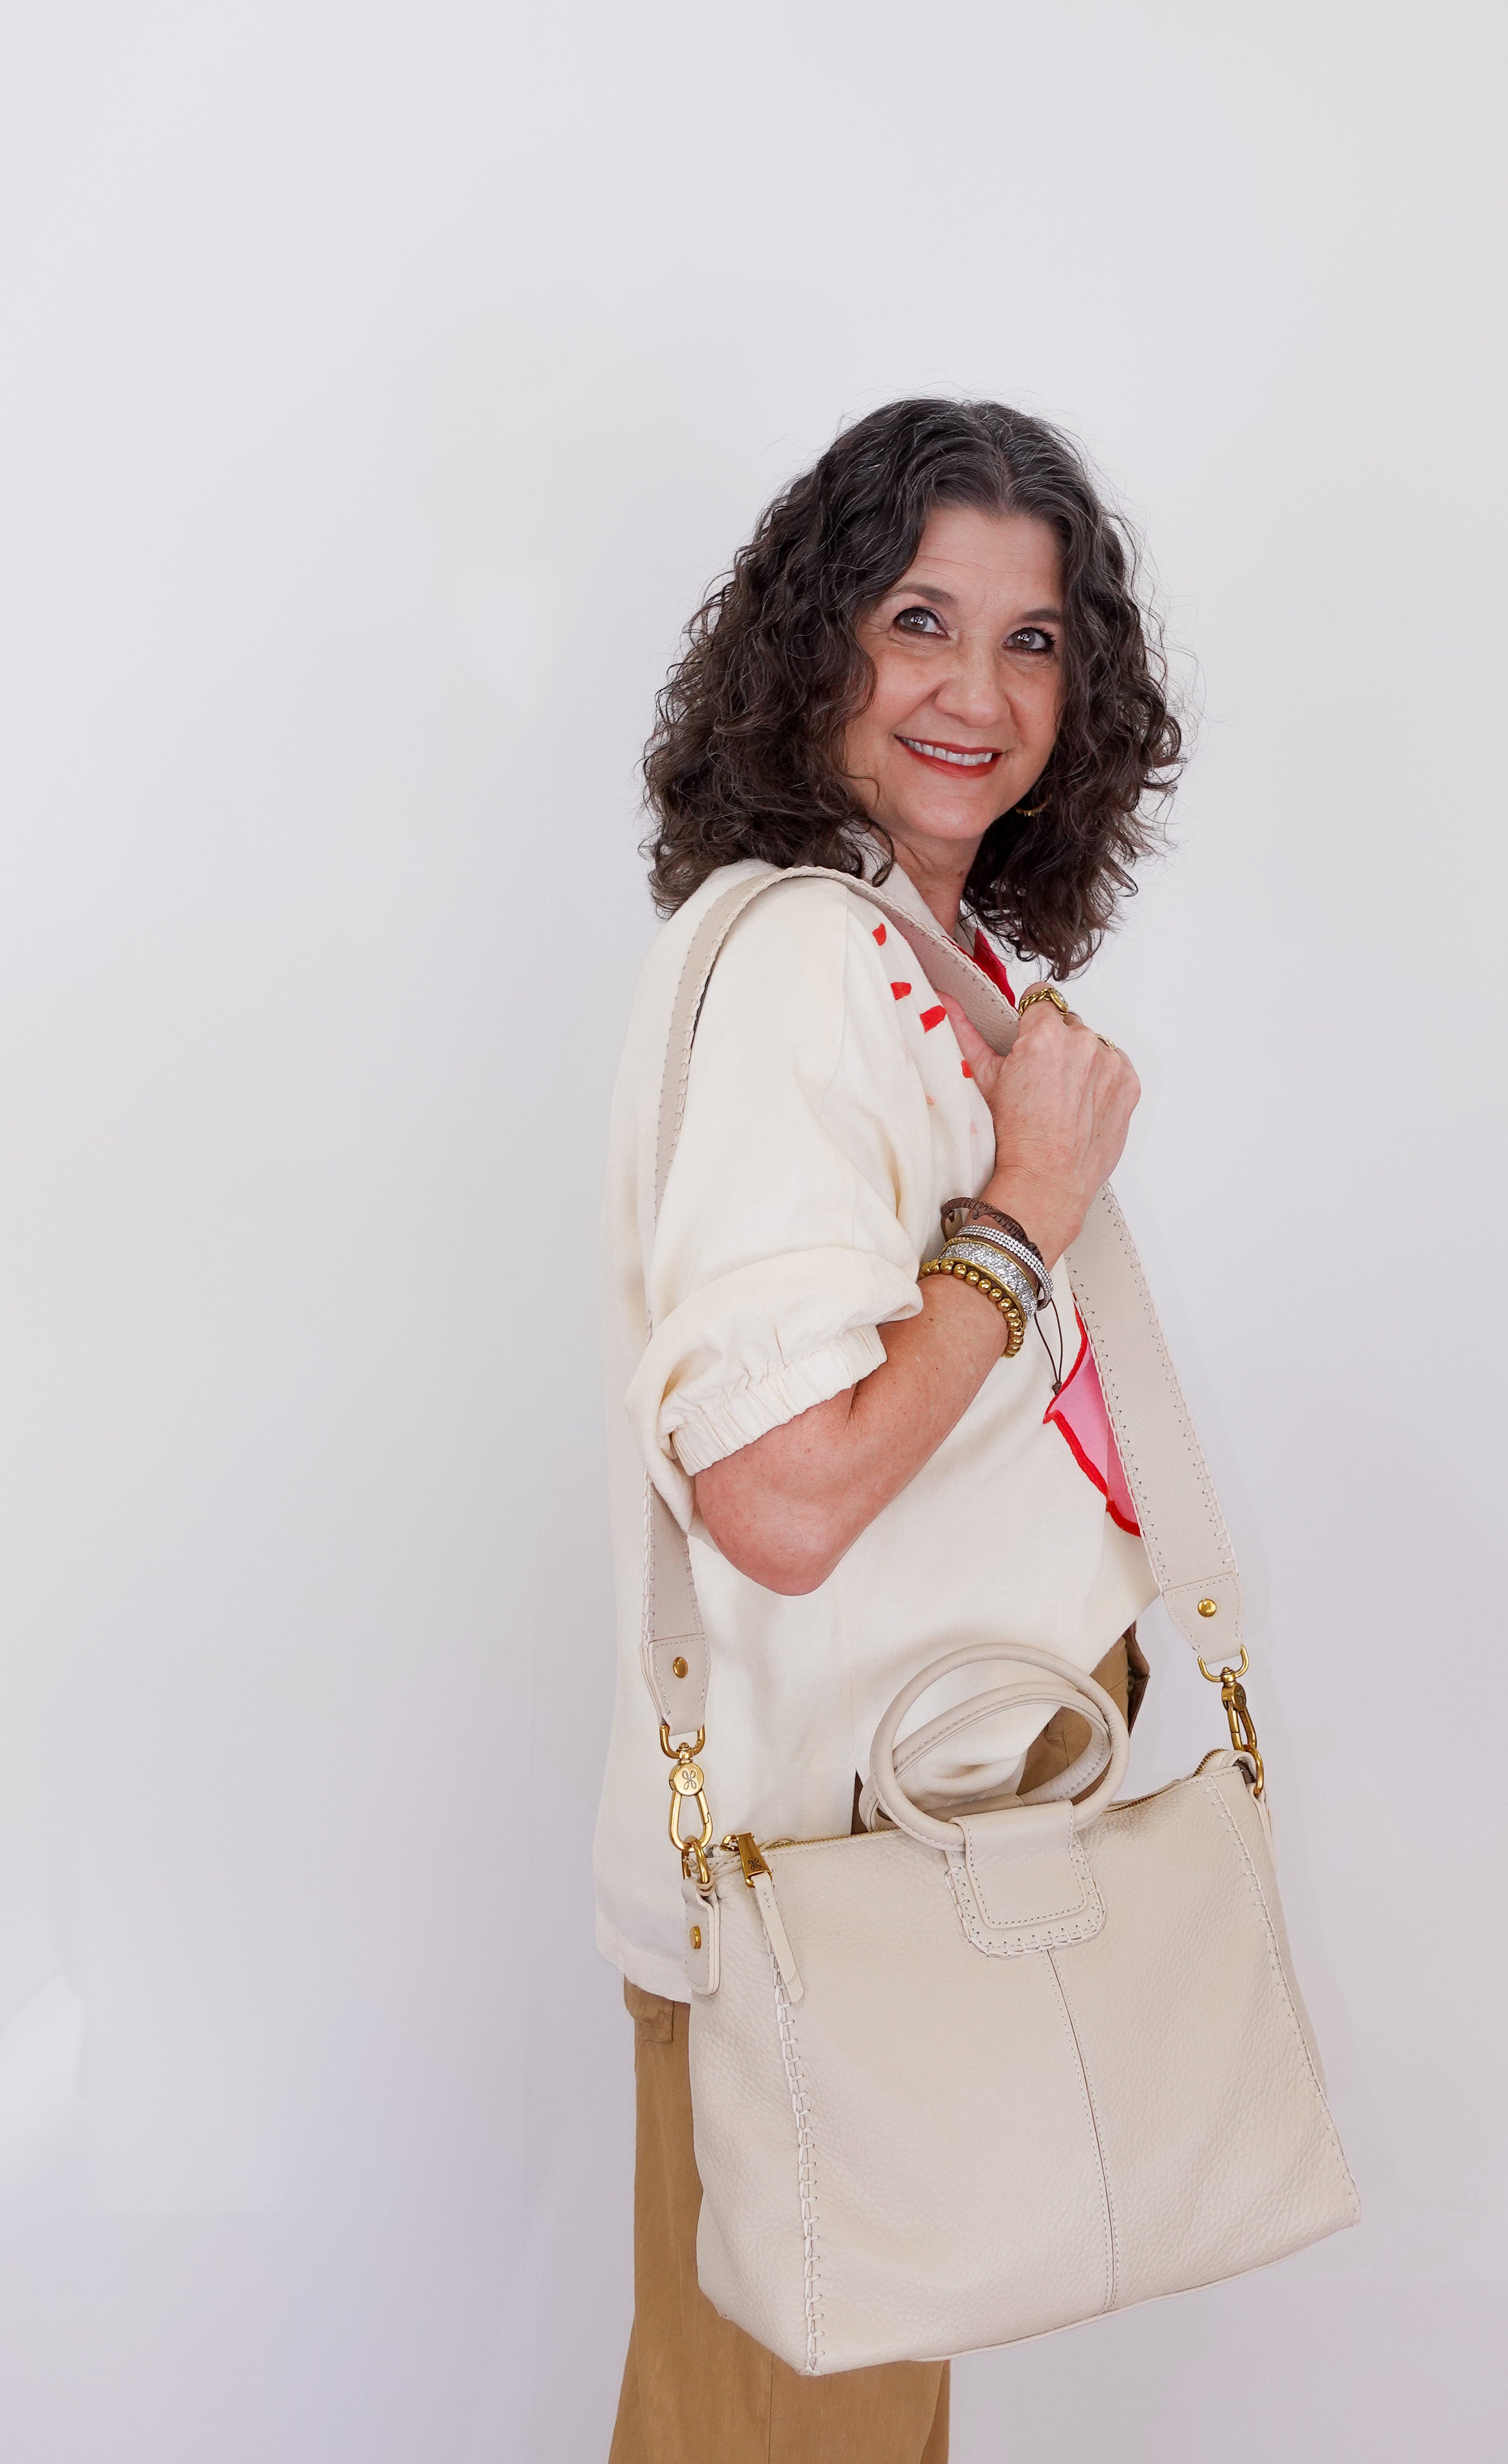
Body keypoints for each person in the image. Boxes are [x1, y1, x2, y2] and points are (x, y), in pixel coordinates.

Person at [596, 397, 1184, 2463]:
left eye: (1033, 642)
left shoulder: (916, 963)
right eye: (918, 619)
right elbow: (775, 1493)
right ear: (813, 644)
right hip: (823, 1905)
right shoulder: (808, 972)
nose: (976, 690)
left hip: (898, 1879)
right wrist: (1022, 1213)